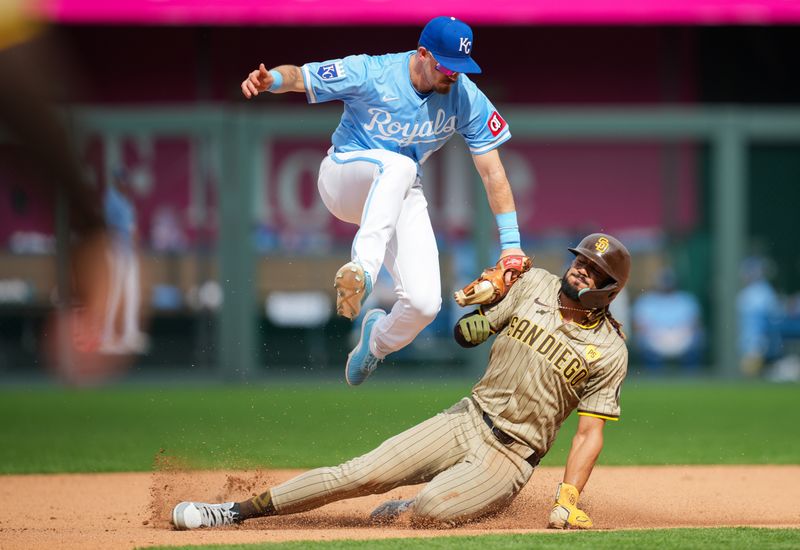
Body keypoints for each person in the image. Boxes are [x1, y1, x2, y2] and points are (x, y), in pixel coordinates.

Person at [171, 233, 631, 530]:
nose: (580, 268)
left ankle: (412, 506)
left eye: (593, 269)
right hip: (466, 418)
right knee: (361, 473)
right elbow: (470, 330)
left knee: (431, 509)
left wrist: (568, 496)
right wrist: (475, 324)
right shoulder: (537, 285)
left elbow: (589, 434)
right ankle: (235, 511)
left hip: (511, 456)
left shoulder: (610, 350)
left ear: (608, 288)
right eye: (581, 259)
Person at [240, 16, 526, 386]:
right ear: (422, 54)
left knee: (425, 304)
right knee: (399, 166)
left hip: (398, 192)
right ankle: (364, 272)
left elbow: (493, 173)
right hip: (345, 176)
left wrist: (512, 245)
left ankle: (375, 343)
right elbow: (300, 76)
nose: (453, 75)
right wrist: (271, 81)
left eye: (460, 68)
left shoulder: (464, 96)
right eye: (446, 66)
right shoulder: (372, 71)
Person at [99, 168, 148, 354]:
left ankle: (130, 334)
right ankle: (106, 335)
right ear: (116, 181)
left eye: (126, 181)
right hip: (118, 251)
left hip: (129, 251)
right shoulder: (111, 199)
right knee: (114, 292)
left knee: (133, 292)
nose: (125, 184)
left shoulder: (126, 200)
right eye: (122, 180)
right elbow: (111, 228)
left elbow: (132, 228)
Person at [632, 267, 703, 373]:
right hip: (654, 338)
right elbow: (638, 326)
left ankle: (690, 379)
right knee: (643, 344)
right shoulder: (646, 300)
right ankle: (653, 378)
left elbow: (695, 324)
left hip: (682, 337)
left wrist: (679, 335)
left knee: (697, 340)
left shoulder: (686, 299)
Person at [738, 257, 783, 376]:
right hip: (746, 340)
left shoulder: (763, 292)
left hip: (759, 341)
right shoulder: (747, 291)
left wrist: (762, 340)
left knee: (754, 373)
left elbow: (773, 318)